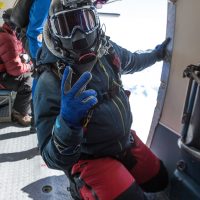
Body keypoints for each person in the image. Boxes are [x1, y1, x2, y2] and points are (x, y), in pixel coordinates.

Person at [34, 0, 171, 199]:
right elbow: (51, 157)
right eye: (66, 26)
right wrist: (67, 125)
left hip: (123, 142)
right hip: (90, 158)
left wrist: (156, 55)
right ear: (54, 33)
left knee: (160, 179)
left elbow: (133, 61)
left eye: (85, 21)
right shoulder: (50, 79)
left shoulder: (107, 51)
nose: (78, 34)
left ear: (96, 21)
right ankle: (80, 187)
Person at [0, 9, 33, 127]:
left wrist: (26, 61)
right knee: (29, 80)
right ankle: (19, 113)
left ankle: (26, 106)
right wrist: (30, 66)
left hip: (5, 71)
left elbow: (20, 54)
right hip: (2, 77)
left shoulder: (10, 34)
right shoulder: (7, 38)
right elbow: (15, 70)